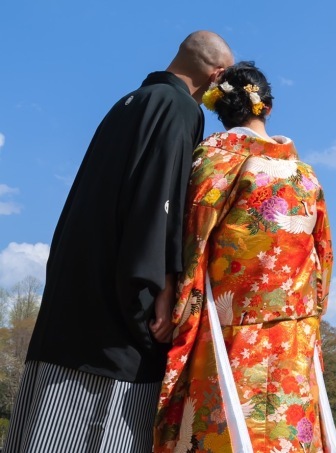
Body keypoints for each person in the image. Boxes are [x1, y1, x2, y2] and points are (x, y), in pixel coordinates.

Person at [3, 31, 235, 453]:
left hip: (71, 295)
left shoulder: (128, 103)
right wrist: (162, 288)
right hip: (115, 318)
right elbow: (159, 199)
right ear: (216, 75)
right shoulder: (179, 108)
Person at [153, 61, 335, 453]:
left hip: (228, 327)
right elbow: (323, 260)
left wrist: (179, 303)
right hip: (293, 333)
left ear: (219, 112)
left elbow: (191, 241)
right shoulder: (306, 176)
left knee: (231, 429)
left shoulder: (212, 162)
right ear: (267, 107)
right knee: (288, 432)